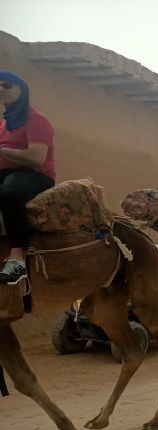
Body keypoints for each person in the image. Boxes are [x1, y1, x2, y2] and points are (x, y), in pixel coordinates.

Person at [0, 71, 56, 284]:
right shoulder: (3, 124)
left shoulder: (36, 120)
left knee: (11, 191)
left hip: (35, 175)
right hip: (6, 174)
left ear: (22, 91)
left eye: (7, 85)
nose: (1, 89)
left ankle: (17, 260)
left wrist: (2, 151)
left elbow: (36, 157)